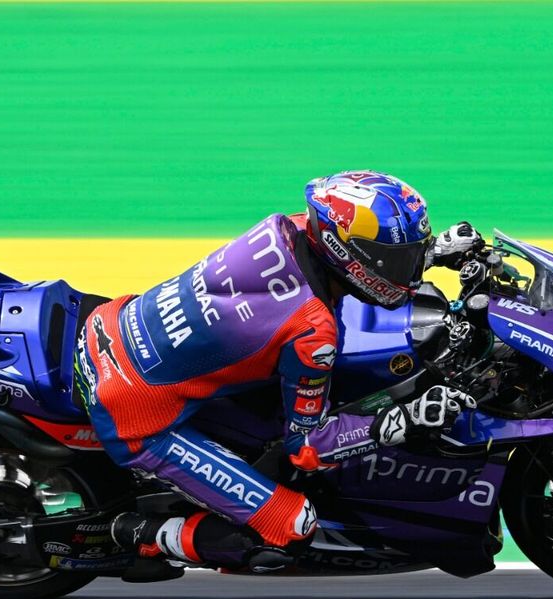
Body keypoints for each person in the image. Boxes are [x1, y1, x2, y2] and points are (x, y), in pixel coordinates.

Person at [74, 170, 483, 576]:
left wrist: (435, 252)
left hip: (114, 325)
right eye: (400, 258)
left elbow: (360, 262)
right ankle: (133, 533)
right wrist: (404, 420)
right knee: (292, 527)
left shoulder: (293, 228)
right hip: (136, 410)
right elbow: (307, 447)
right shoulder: (312, 331)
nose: (407, 268)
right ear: (352, 254)